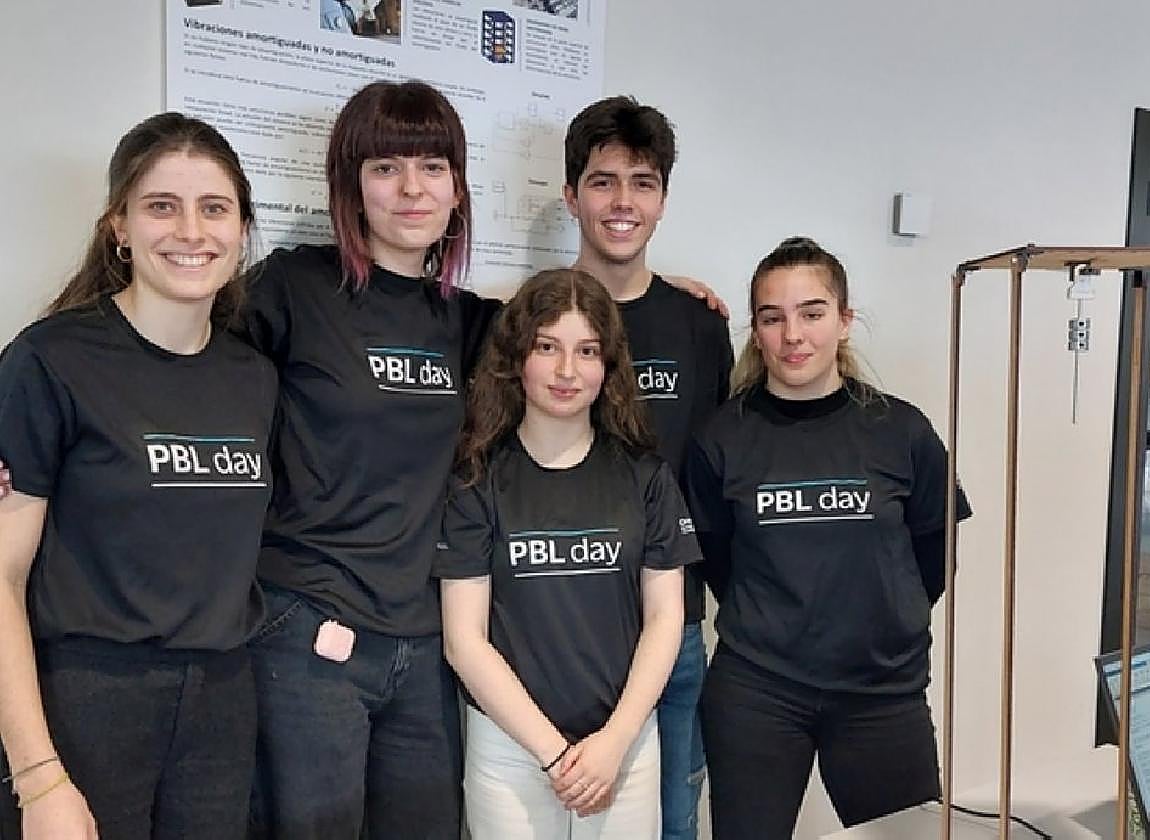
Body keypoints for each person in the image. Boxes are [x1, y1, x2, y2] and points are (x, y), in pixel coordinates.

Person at [0, 112, 276, 840]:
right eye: (161, 206)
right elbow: (1, 575)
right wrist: (37, 777)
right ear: (119, 226)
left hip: (221, 701)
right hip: (86, 699)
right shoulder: (51, 360)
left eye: (213, 208)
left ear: (241, 228)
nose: (191, 231)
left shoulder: (254, 377)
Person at [240, 79, 495, 839]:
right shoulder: (294, 286)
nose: (412, 188)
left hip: (423, 637)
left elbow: (575, 340)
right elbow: (177, 357)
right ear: (351, 186)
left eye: (432, 166)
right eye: (386, 167)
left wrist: (659, 292)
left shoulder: (468, 323)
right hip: (306, 623)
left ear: (457, 188)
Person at [685, 237, 971, 838]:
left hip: (881, 695)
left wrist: (881, 621)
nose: (793, 335)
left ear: (844, 320)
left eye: (812, 313)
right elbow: (717, 560)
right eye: (773, 318)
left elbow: (933, 555)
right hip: (758, 693)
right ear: (756, 331)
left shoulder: (901, 430)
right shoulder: (721, 439)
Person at [437, 267, 698, 840]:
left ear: (609, 365)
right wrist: (554, 755)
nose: (566, 371)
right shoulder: (477, 480)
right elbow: (464, 640)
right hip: (511, 748)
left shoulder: (646, 477)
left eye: (587, 351)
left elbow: (665, 618)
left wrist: (614, 742)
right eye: (547, 347)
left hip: (622, 747)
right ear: (516, 356)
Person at [563, 95, 732, 840]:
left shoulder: (700, 326)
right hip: (560, 628)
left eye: (643, 182)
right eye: (602, 181)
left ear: (663, 199)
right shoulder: (535, 323)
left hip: (675, 628)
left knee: (673, 825)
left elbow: (718, 471)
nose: (622, 202)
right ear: (571, 195)